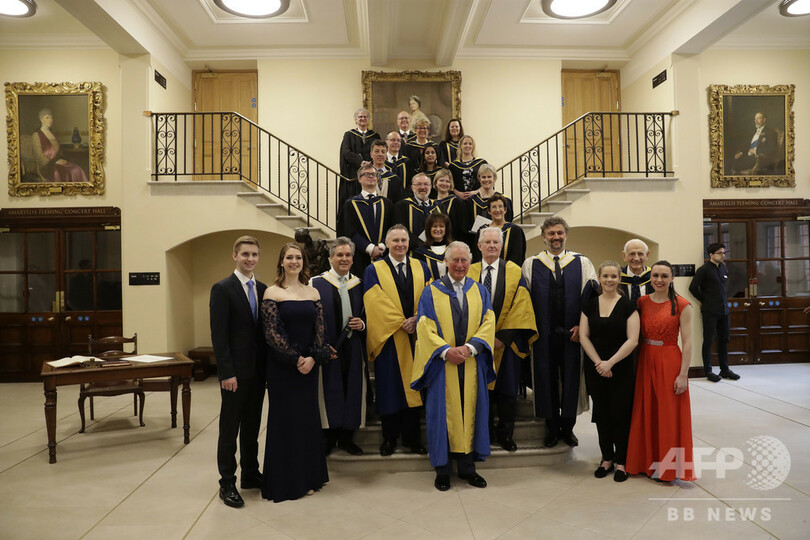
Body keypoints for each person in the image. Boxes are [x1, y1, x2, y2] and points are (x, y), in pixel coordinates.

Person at [413, 241, 495, 491]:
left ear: (470, 262)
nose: (460, 265)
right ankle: (443, 470)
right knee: (441, 416)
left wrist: (470, 348)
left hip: (471, 363)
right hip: (442, 366)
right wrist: (446, 351)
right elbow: (424, 326)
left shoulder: (480, 290)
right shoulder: (431, 291)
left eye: (464, 260)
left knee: (472, 413)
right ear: (446, 262)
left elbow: (489, 322)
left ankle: (468, 468)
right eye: (455, 260)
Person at [260, 243, 333, 502]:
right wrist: (296, 359)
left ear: (304, 262)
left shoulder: (313, 292)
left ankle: (308, 478)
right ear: (281, 261)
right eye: (289, 257)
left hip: (309, 368)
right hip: (283, 368)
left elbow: (320, 331)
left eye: (298, 257)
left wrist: (313, 357)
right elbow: (271, 334)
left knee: (306, 420)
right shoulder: (272, 292)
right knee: (285, 421)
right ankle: (286, 482)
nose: (294, 261)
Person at [522, 217, 596, 448]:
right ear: (543, 237)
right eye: (551, 233)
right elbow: (524, 302)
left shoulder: (582, 262)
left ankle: (568, 427)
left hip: (572, 335)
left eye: (560, 233)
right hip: (543, 336)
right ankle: (552, 428)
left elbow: (591, 300)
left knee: (572, 380)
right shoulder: (531, 264)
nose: (556, 237)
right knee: (546, 380)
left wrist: (582, 326)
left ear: (566, 235)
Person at [210, 236, 267, 508]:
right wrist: (226, 373)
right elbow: (219, 336)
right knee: (230, 428)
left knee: (252, 426)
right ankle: (227, 482)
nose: (250, 259)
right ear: (235, 256)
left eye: (254, 254)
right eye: (245, 254)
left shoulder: (263, 288)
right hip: (235, 374)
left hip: (257, 372)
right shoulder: (222, 289)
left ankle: (251, 473)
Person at [626, 260, 697, 483]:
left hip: (669, 361)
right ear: (650, 277)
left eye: (664, 276)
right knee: (646, 412)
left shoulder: (683, 305)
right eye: (655, 275)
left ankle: (668, 469)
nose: (659, 280)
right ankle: (644, 463)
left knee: (667, 415)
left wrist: (683, 374)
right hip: (645, 360)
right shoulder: (642, 302)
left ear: (672, 278)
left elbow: (688, 343)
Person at [468, 227, 537, 452]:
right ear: (479, 246)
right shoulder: (469, 270)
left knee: (507, 391)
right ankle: (484, 433)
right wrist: (481, 339)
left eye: (496, 242)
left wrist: (502, 338)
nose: (491, 246)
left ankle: (506, 434)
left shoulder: (515, 271)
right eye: (487, 242)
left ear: (501, 246)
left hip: (507, 343)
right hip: (477, 344)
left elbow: (521, 307)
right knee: (481, 391)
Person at [363, 225, 430, 456]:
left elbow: (430, 296)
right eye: (395, 240)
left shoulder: (421, 267)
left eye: (403, 240)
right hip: (389, 337)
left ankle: (412, 438)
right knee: (389, 387)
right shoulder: (374, 269)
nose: (400, 244)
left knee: (414, 386)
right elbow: (374, 301)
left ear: (409, 243)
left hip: (416, 336)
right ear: (387, 243)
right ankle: (389, 438)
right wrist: (401, 322)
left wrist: (417, 318)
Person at [579, 260, 640, 482]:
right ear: (599, 278)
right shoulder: (589, 305)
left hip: (621, 368)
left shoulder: (628, 306)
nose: (609, 280)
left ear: (619, 279)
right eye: (605, 276)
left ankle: (622, 462)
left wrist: (610, 363)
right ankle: (606, 459)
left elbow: (632, 340)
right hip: (596, 368)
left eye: (614, 276)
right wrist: (599, 363)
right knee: (602, 415)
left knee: (620, 415)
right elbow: (584, 336)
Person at [311, 237, 367, 456]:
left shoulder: (360, 285)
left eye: (348, 255)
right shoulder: (316, 283)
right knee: (329, 388)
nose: (344, 259)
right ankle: (328, 437)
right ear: (330, 258)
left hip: (354, 346)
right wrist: (319, 346)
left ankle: (347, 437)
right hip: (328, 347)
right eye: (339, 255)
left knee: (352, 388)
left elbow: (370, 315)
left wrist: (362, 324)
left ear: (353, 259)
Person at [688, 243, 740, 382]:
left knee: (724, 339)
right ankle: (708, 371)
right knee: (709, 340)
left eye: (724, 253)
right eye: (720, 253)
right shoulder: (704, 270)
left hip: (724, 309)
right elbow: (692, 287)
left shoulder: (723, 268)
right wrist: (704, 300)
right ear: (711, 255)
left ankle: (725, 369)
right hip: (710, 310)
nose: (723, 255)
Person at [336, 162, 393, 277]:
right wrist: (370, 249)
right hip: (360, 258)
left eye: (374, 174)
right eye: (367, 174)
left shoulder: (386, 203)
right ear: (359, 179)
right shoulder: (351, 204)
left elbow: (391, 229)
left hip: (384, 255)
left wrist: (382, 246)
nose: (371, 176)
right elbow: (349, 232)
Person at [32, 108, 89, 182]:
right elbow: (39, 156)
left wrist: (61, 159)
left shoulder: (52, 133)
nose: (50, 120)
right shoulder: (36, 135)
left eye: (51, 117)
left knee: (77, 169)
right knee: (62, 172)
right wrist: (54, 163)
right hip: (46, 166)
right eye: (47, 117)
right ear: (41, 119)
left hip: (57, 162)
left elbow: (58, 151)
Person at [339, 108, 380, 208]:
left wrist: (370, 164)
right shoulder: (349, 135)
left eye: (365, 117)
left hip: (370, 174)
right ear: (356, 120)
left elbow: (378, 152)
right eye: (360, 117)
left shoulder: (375, 136)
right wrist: (361, 162)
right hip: (353, 176)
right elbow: (346, 152)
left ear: (368, 119)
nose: (363, 118)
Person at [392, 172, 440, 248]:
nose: (422, 187)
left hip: (437, 249)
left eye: (426, 184)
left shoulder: (439, 206)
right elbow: (400, 230)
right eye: (418, 184)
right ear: (412, 187)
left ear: (430, 187)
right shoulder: (402, 206)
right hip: (412, 250)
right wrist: (421, 246)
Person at [485, 194, 525, 267]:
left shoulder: (515, 230)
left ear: (505, 210)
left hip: (508, 271)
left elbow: (517, 257)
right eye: (494, 207)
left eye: (500, 206)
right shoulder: (483, 230)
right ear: (489, 211)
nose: (497, 210)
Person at [412, 212, 452, 280]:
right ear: (429, 229)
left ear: (446, 229)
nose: (438, 229)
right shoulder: (419, 253)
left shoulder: (454, 249)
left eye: (441, 226)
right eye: (434, 226)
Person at [433, 168, 468, 242]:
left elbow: (463, 229)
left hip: (454, 243)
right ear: (435, 183)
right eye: (441, 180)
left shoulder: (457, 203)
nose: (444, 184)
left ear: (451, 184)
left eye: (447, 181)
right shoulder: (431, 204)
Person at [448, 135, 486, 200]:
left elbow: (486, 182)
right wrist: (458, 193)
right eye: (465, 143)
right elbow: (450, 184)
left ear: (473, 146)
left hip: (478, 199)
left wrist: (475, 192)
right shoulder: (453, 166)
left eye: (470, 144)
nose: (467, 146)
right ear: (460, 146)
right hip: (459, 200)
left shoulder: (481, 163)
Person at [620, 239, 653, 305]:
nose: (636, 258)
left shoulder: (654, 277)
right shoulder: (617, 278)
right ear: (624, 256)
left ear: (647, 255)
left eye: (640, 254)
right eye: (632, 254)